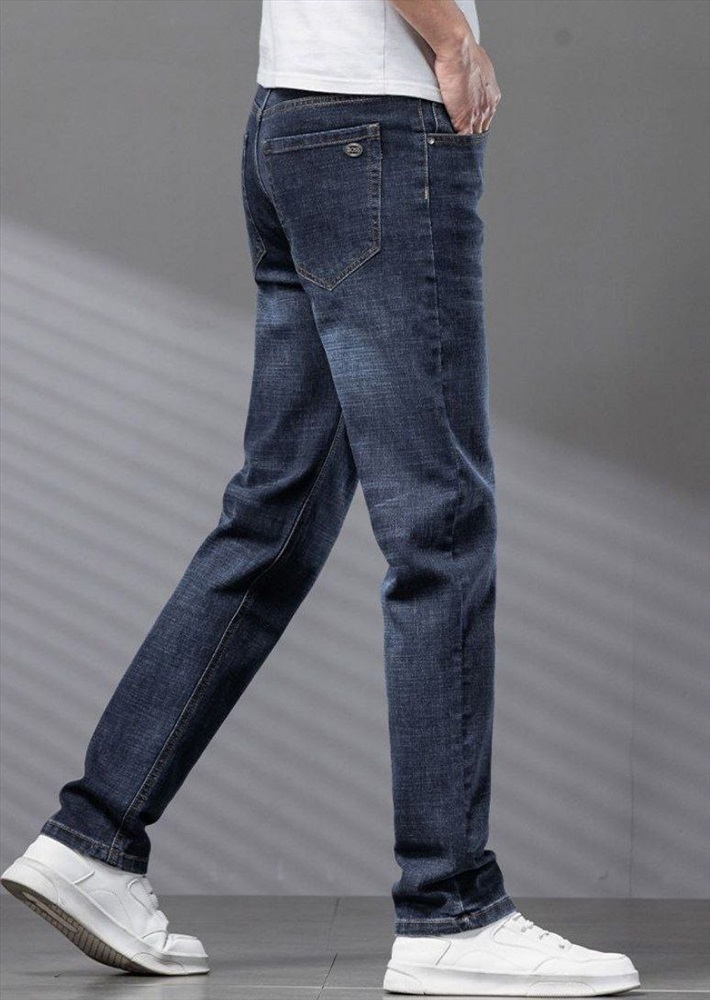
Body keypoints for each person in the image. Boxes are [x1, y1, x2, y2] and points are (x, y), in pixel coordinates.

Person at [1, 0, 641, 993]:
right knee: (438, 524)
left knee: (277, 515)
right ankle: (450, 908)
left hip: (293, 122)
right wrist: (454, 42)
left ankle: (95, 839)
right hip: (380, 127)